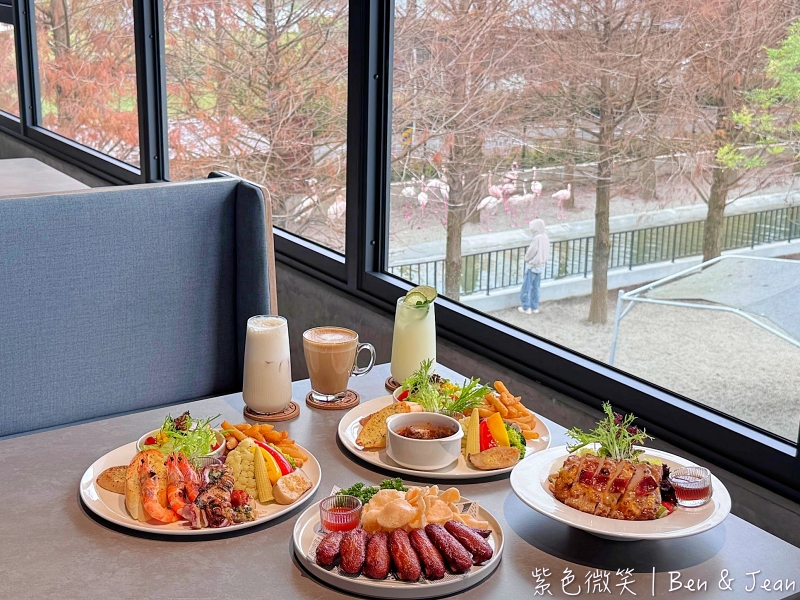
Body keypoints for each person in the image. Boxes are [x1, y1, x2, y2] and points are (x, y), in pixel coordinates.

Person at [519, 219, 550, 314]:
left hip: (533, 266)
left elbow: (531, 251)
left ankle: (526, 307)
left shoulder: (537, 238)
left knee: (526, 288)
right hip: (541, 266)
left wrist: (526, 258)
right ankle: (535, 307)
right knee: (536, 287)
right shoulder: (545, 237)